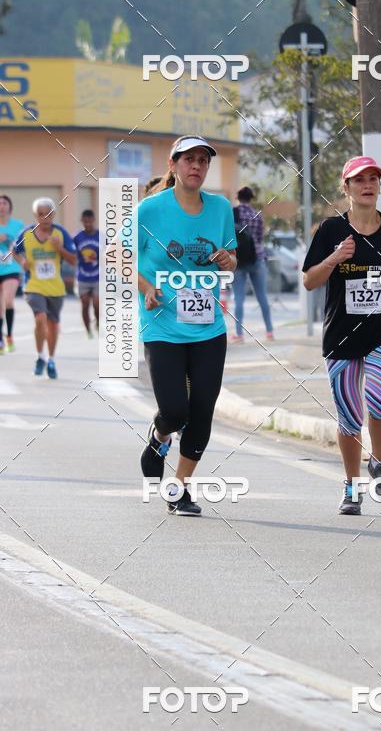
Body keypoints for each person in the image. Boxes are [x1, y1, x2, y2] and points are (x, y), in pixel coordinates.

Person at [302, 156, 381, 516]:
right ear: (346, 187)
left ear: (379, 186)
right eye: (359, 180)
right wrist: (335, 258)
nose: (367, 185)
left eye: (373, 179)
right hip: (341, 336)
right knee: (350, 417)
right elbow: (309, 281)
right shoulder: (330, 231)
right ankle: (352, 487)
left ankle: (380, 461)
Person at [137, 135, 237, 517]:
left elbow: (231, 257)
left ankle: (179, 488)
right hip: (162, 323)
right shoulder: (151, 209)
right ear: (174, 164)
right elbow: (120, 256)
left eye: (203, 161)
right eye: (189, 159)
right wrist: (147, 287)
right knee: (176, 410)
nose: (196, 166)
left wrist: (229, 261)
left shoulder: (220, 208)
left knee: (203, 410)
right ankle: (161, 435)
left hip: (208, 326)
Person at [13, 197, 77, 379]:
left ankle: (50, 359)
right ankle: (40, 356)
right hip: (33, 285)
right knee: (40, 318)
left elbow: (73, 260)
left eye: (48, 214)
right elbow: (15, 251)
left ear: (54, 214)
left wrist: (59, 249)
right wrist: (22, 261)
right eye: (41, 214)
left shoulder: (61, 234)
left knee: (53, 325)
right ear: (35, 215)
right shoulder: (26, 234)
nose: (45, 218)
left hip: (55, 288)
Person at [231, 186, 274, 342]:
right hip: (257, 258)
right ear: (251, 199)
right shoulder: (257, 215)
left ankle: (239, 334)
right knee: (262, 296)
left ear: (238, 197)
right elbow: (260, 239)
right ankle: (269, 331)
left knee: (239, 298)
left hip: (238, 260)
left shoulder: (233, 212)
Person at [0, 194, 24, 354]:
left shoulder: (18, 225)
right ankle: (0, 339)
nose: (2, 205)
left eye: (4, 203)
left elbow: (23, 245)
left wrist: (8, 241)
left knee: (8, 301)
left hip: (12, 269)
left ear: (10, 206)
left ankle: (9, 336)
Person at [73, 209, 100, 338]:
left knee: (96, 303)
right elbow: (72, 255)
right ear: (82, 221)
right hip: (82, 276)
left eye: (90, 221)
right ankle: (88, 329)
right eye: (85, 222)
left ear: (93, 220)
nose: (87, 224)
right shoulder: (77, 238)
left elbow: (110, 254)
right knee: (84, 304)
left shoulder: (101, 236)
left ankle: (98, 322)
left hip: (98, 276)